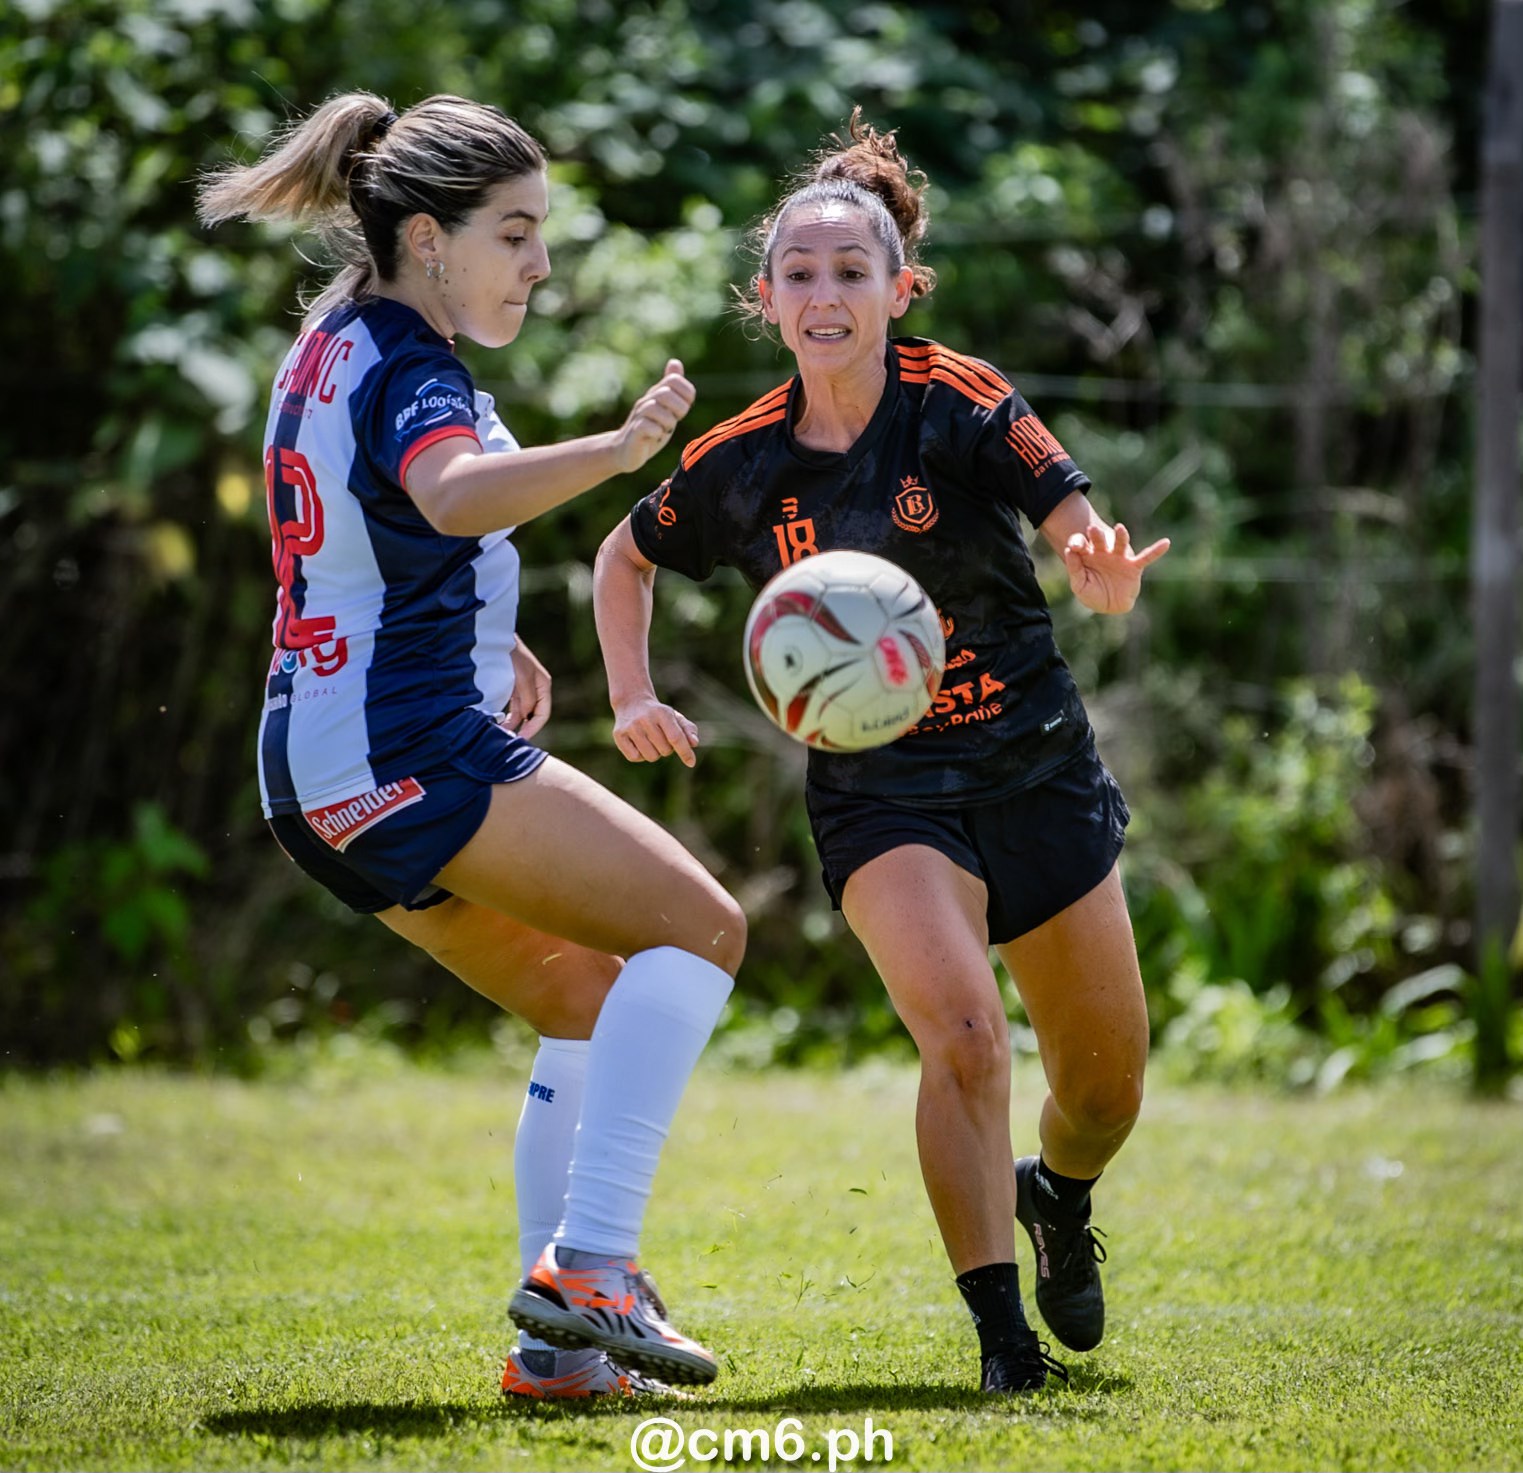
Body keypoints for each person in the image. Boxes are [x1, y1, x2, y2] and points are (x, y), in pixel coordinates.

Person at [593, 110, 1169, 1395]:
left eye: (850, 272)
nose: (823, 294)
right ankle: (1000, 1342)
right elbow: (621, 555)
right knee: (964, 1038)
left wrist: (1100, 570)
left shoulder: (957, 404)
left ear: (898, 290)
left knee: (1104, 1093)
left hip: (1034, 769)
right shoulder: (736, 464)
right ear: (765, 299)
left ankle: (1056, 1195)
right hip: (882, 795)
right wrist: (629, 693)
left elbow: (1077, 520)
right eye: (797, 273)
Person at [196, 91, 747, 1399]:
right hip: (407, 750)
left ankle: (559, 1352)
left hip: (310, 767)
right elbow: (442, 492)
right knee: (704, 930)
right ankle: (589, 1268)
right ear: (427, 237)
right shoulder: (414, 362)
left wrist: (486, 630)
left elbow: (362, 525)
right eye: (515, 232)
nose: (539, 263)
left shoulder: (330, 340)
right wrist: (615, 450)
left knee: (590, 998)